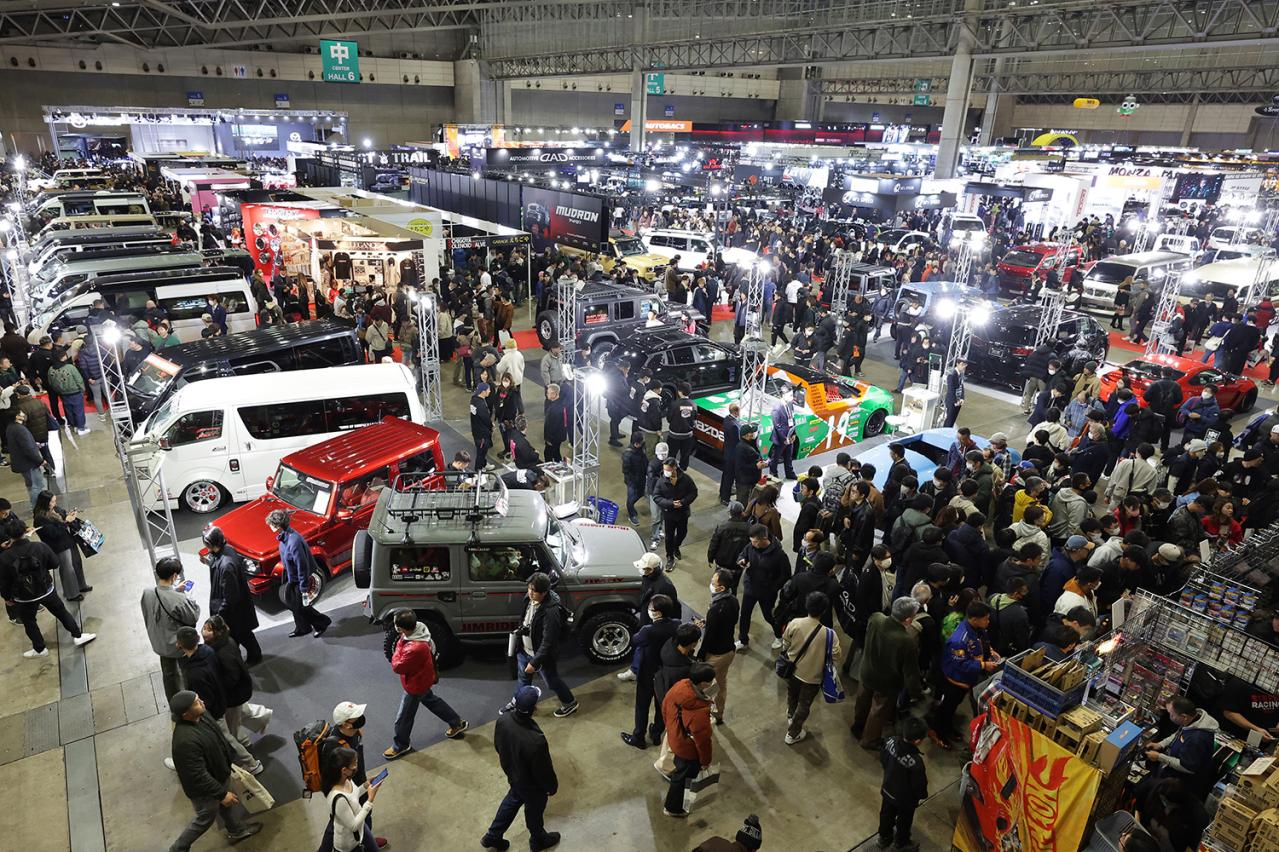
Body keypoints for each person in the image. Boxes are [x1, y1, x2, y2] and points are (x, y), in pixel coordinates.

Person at [167, 691, 262, 851]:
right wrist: (221, 794)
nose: (202, 702)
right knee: (205, 818)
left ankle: (236, 829)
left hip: (218, 775)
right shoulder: (185, 741)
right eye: (196, 703)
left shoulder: (202, 716)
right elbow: (198, 776)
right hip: (204, 791)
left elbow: (219, 739)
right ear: (186, 714)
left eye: (199, 699)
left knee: (226, 806)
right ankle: (178, 848)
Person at [1, 516, 96, 659]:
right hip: (46, 590)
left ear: (9, 536)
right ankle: (78, 636)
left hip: (23, 597)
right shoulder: (40, 547)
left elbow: (4, 581)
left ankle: (40, 649)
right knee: (61, 612)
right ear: (25, 531)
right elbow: (55, 563)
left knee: (30, 623)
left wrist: (7, 597)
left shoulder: (5, 557)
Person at [481, 685, 562, 851]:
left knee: (513, 798)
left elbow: (498, 745)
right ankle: (538, 839)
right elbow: (543, 771)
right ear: (534, 708)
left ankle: (493, 835)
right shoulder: (536, 740)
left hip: (513, 773)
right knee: (534, 809)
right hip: (531, 784)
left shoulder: (503, 720)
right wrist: (551, 787)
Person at [382, 609, 468, 760]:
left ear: (402, 628)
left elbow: (397, 666)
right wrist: (401, 645)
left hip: (415, 685)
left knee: (403, 717)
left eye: (396, 625)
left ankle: (400, 745)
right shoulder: (420, 628)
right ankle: (456, 723)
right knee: (432, 701)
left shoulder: (414, 648)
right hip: (423, 678)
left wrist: (398, 648)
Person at [853, 597, 924, 751]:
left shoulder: (876, 618)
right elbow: (911, 673)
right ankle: (870, 740)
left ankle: (857, 727)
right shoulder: (907, 641)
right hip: (885, 683)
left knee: (862, 701)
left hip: (866, 671)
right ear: (908, 619)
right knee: (878, 712)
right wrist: (916, 693)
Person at [506, 572, 579, 718]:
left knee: (552, 681)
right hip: (525, 650)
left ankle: (570, 702)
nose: (530, 592)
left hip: (542, 656)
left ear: (544, 592)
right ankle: (519, 703)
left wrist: (535, 662)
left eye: (534, 590)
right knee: (523, 680)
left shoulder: (551, 612)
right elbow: (526, 619)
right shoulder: (529, 598)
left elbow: (548, 642)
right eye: (529, 588)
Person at [931, 601, 1000, 747]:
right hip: (955, 680)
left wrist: (990, 652)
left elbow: (981, 642)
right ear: (974, 619)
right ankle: (937, 731)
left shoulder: (978, 630)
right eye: (985, 619)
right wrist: (983, 665)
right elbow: (960, 664)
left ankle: (948, 728)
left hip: (967, 679)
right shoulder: (959, 640)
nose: (988, 622)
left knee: (953, 707)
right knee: (947, 707)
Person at [201, 616, 271, 751]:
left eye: (208, 630)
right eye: (204, 628)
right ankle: (263, 717)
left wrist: (217, 686)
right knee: (241, 712)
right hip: (237, 693)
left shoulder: (223, 652)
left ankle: (246, 749)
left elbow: (232, 677)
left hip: (234, 695)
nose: (204, 632)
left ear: (218, 632)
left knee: (232, 728)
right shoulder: (222, 643)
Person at [622, 592, 680, 748]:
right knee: (661, 705)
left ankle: (638, 737)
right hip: (665, 671)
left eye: (651, 608)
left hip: (648, 672)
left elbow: (635, 640)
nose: (648, 610)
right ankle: (656, 734)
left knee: (642, 705)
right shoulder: (677, 624)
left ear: (658, 613)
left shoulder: (648, 630)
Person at [781, 591, 838, 745]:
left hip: (792, 670)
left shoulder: (795, 623)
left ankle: (790, 714)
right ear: (824, 611)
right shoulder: (829, 634)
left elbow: (785, 643)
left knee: (792, 694)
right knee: (804, 704)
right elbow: (835, 656)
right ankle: (793, 733)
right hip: (813, 677)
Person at [661, 662, 717, 817]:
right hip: (687, 749)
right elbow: (703, 741)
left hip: (675, 736)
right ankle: (673, 808)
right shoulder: (698, 712)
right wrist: (705, 761)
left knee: (679, 766)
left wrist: (671, 729)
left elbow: (665, 706)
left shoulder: (680, 686)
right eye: (710, 681)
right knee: (683, 776)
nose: (712, 683)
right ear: (703, 683)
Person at [267, 508, 332, 638]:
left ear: (278, 525)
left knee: (300, 606)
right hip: (291, 576)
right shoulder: (285, 536)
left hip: (299, 578)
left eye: (271, 524)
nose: (269, 526)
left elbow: (302, 566)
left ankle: (322, 622)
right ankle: (303, 627)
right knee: (293, 603)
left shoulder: (294, 541)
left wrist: (303, 587)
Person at [140, 556, 199, 700]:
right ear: (174, 576)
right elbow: (193, 617)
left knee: (169, 675)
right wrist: (188, 598)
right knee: (187, 674)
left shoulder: (147, 593)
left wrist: (175, 591)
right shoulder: (179, 600)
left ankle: (174, 703)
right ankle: (190, 702)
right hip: (179, 646)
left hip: (160, 644)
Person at [202, 526, 261, 666]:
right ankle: (252, 656)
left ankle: (252, 657)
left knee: (240, 635)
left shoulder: (226, 566)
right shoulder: (228, 550)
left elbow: (230, 597)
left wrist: (219, 615)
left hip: (234, 611)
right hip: (236, 609)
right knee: (242, 634)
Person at [1141, 696, 1221, 799]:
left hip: (1182, 784)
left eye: (1171, 714)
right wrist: (1161, 744)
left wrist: (1159, 757)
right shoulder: (1193, 720)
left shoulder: (1196, 739)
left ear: (1184, 717)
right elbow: (1178, 734)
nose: (1169, 716)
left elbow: (1188, 767)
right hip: (1171, 770)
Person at [878, 716, 930, 852]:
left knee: (886, 814)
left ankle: (884, 837)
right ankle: (901, 842)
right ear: (918, 741)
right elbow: (919, 784)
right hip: (905, 799)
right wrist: (921, 795)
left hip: (888, 788)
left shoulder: (891, 741)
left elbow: (883, 757)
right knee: (904, 820)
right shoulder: (915, 762)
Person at [737, 524, 792, 651]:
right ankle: (743, 640)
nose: (752, 543)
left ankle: (779, 636)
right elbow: (742, 555)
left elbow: (786, 575)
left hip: (767, 592)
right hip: (750, 588)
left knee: (769, 616)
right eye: (751, 541)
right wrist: (741, 560)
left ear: (764, 539)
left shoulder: (779, 555)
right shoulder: (750, 546)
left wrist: (773, 588)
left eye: (755, 541)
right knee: (744, 615)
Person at [321, 744, 384, 852]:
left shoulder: (346, 780)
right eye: (354, 764)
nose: (356, 766)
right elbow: (353, 826)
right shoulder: (338, 799)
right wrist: (370, 799)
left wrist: (366, 785)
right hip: (350, 843)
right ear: (344, 770)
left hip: (361, 825)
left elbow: (353, 796)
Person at [31, 490, 91, 600]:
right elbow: (53, 533)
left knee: (76, 563)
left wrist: (69, 515)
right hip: (59, 546)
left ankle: (81, 585)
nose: (55, 503)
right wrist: (66, 522)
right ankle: (72, 594)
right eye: (52, 501)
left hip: (69, 540)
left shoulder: (54, 509)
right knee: (68, 569)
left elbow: (63, 514)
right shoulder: (40, 518)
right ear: (46, 502)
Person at [700, 569, 739, 725]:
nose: (710, 585)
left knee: (702, 688)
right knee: (721, 682)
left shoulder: (716, 609)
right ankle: (718, 713)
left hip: (716, 655)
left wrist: (701, 655)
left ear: (721, 588)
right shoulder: (733, 600)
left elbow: (709, 637)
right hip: (729, 650)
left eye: (713, 583)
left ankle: (702, 716)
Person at [654, 458, 698, 564]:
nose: (665, 472)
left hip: (683, 512)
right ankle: (670, 556)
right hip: (669, 514)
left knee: (682, 533)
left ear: (674, 468)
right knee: (669, 537)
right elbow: (656, 497)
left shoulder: (686, 479)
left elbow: (693, 492)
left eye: (668, 470)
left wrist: (683, 502)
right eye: (664, 469)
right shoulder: (661, 482)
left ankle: (676, 546)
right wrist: (671, 504)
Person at [707, 501, 751, 590]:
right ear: (741, 512)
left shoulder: (722, 527)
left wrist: (710, 558)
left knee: (719, 585)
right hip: (737, 564)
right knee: (734, 586)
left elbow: (714, 544)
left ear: (730, 512)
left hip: (722, 563)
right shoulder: (748, 528)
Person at [7, 408, 46, 505]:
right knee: (36, 486)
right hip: (28, 464)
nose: (24, 414)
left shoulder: (10, 427)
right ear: (17, 416)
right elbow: (28, 449)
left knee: (33, 486)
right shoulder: (20, 430)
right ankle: (37, 507)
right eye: (21, 413)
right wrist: (40, 460)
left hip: (21, 463)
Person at [768, 387, 798, 480]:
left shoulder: (790, 404)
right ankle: (773, 474)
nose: (792, 397)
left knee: (788, 457)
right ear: (783, 395)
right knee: (775, 458)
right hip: (780, 439)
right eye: (790, 395)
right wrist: (785, 439)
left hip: (790, 436)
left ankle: (789, 473)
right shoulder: (777, 408)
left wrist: (794, 434)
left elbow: (792, 419)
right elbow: (777, 426)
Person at [646, 442, 671, 551]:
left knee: (663, 514)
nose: (663, 456)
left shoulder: (670, 462)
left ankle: (660, 529)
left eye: (664, 454)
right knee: (656, 516)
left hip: (666, 494)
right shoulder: (652, 464)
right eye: (661, 454)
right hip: (655, 494)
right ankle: (655, 539)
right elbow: (651, 479)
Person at [718, 403, 741, 503]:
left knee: (726, 475)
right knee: (729, 477)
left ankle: (722, 492)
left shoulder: (727, 419)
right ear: (736, 412)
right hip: (732, 455)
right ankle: (725, 498)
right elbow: (737, 441)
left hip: (728, 452)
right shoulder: (734, 426)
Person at [470, 382, 495, 471]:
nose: (489, 391)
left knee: (481, 451)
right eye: (488, 390)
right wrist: (491, 426)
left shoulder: (474, 399)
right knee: (481, 452)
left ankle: (483, 464)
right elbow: (486, 419)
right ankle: (478, 470)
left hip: (476, 430)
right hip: (482, 434)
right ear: (483, 391)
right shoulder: (481, 405)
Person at [944, 357, 966, 427]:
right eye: (962, 364)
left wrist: (962, 398)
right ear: (957, 364)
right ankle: (945, 431)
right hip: (952, 401)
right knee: (949, 420)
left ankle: (949, 430)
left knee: (953, 420)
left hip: (958, 401)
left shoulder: (961, 374)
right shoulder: (951, 374)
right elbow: (951, 390)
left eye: (965, 365)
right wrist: (955, 401)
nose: (964, 366)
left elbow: (962, 386)